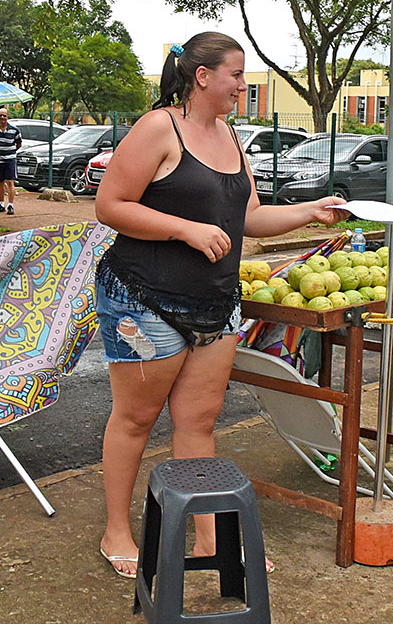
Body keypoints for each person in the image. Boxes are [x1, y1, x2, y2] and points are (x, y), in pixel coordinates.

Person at [92, 32, 348, 580]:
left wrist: (312, 211)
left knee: (199, 422)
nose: (242, 84)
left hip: (215, 304)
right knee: (136, 419)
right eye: (236, 74)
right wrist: (184, 229)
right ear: (202, 76)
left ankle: (210, 538)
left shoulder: (231, 135)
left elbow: (248, 217)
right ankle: (116, 529)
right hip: (144, 299)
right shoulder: (159, 127)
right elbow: (109, 206)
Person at [0, 107, 21, 215]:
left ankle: (10, 205)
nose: (2, 118)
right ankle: (1, 204)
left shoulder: (14, 130)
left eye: (4, 116)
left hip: (9, 160)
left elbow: (18, 143)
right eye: (0, 115)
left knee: (10, 182)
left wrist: (10, 152)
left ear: (7, 117)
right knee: (0, 183)